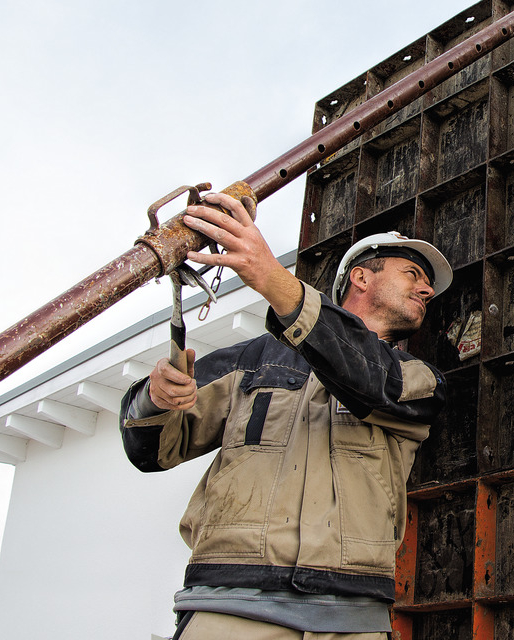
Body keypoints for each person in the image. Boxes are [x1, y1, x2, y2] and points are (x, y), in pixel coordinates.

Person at [119, 191, 452, 640]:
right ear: (360, 277)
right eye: (412, 274)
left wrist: (271, 277)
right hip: (229, 607)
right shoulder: (249, 363)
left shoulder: (417, 379)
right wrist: (155, 399)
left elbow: (368, 377)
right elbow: (151, 450)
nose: (426, 290)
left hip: (351, 619)